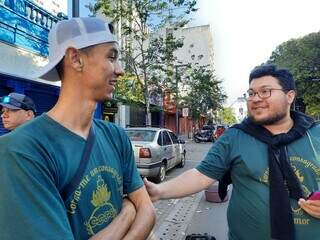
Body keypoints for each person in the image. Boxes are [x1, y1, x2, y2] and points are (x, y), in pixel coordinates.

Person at [0, 17, 155, 240]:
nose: (120, 70)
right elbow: (139, 208)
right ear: (76, 59)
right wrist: (128, 212)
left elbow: (148, 211)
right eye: (111, 57)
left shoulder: (116, 135)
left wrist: (137, 212)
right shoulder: (20, 151)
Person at [144, 64, 320, 240]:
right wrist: (159, 191)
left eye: (265, 91)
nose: (255, 98)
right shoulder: (235, 137)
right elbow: (201, 176)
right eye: (251, 93)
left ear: (290, 96)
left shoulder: (315, 134)